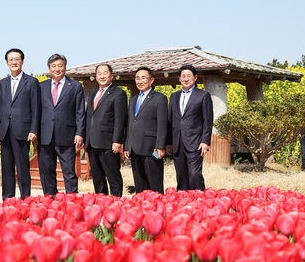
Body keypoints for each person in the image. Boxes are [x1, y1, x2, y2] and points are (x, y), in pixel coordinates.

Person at [0, 48, 41, 199]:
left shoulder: (32, 82)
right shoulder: (2, 83)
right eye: (11, 60)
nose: (14, 62)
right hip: (5, 131)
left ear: (22, 62)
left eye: (17, 59)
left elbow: (36, 108)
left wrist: (34, 130)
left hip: (23, 131)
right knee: (6, 168)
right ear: (7, 63)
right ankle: (8, 200)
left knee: (22, 167)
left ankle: (25, 198)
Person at [38, 53, 85, 196]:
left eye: (60, 66)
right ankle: (50, 198)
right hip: (45, 135)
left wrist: (79, 133)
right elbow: (36, 111)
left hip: (67, 135)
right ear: (49, 69)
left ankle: (71, 200)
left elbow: (80, 112)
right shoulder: (41, 86)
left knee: (69, 171)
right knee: (46, 171)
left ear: (65, 67)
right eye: (54, 66)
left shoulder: (75, 86)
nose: (57, 69)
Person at [166, 64, 213, 191]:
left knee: (195, 175)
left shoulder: (203, 96)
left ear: (195, 77)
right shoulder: (174, 96)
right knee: (181, 176)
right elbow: (170, 120)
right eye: (183, 76)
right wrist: (168, 142)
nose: (186, 79)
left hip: (195, 142)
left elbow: (207, 120)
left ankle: (199, 200)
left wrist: (205, 141)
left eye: (189, 76)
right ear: (179, 79)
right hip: (177, 143)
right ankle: (183, 203)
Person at [85, 64, 127, 196]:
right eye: (99, 73)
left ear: (111, 76)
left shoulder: (118, 93)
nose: (102, 76)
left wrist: (117, 140)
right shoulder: (92, 94)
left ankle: (116, 205)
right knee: (98, 178)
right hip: (92, 142)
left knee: (113, 177)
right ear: (95, 76)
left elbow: (120, 120)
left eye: (105, 73)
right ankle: (101, 204)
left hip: (108, 143)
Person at [124, 66, 168, 194]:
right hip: (135, 148)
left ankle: (157, 210)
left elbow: (162, 124)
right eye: (137, 78)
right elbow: (130, 123)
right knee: (140, 184)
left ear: (151, 80)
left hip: (152, 149)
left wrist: (160, 146)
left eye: (143, 78)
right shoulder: (133, 100)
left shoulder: (159, 98)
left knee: (154, 183)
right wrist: (127, 146)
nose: (140, 81)